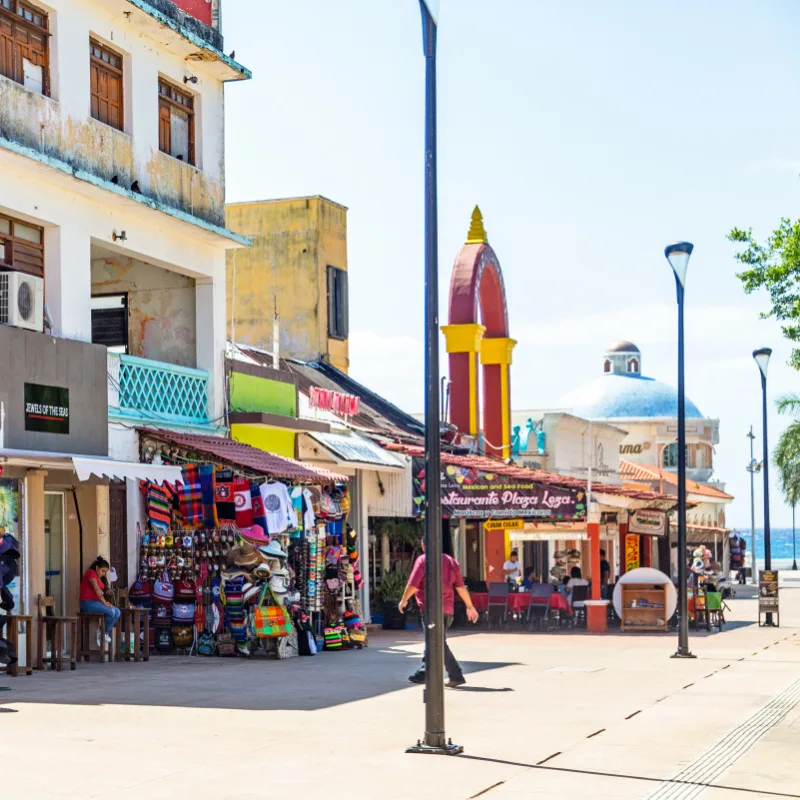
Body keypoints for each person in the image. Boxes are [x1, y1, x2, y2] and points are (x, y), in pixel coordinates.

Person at [399, 542, 479, 688]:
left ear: (424, 545)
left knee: (436, 641)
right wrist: (470, 606)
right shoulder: (450, 561)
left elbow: (413, 584)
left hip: (431, 609)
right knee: (435, 640)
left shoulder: (423, 560)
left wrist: (404, 600)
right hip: (447, 609)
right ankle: (431, 672)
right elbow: (460, 587)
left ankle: (452, 674)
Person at [79, 557, 121, 643]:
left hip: (97, 603)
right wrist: (105, 602)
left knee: (117, 612)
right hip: (87, 603)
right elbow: (96, 589)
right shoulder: (91, 573)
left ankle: (103, 632)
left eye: (105, 572)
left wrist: (107, 593)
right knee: (111, 611)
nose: (104, 574)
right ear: (97, 567)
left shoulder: (99, 578)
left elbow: (101, 590)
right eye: (103, 571)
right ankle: (102, 633)